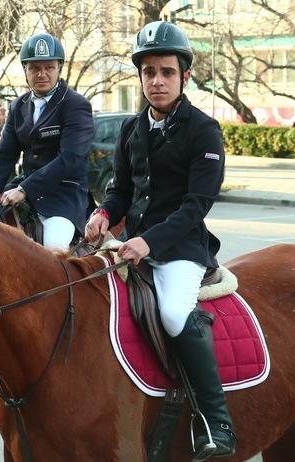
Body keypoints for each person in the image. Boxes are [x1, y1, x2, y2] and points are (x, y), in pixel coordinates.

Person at [85, 21, 235, 460]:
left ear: (184, 76)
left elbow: (197, 204)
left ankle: (216, 421)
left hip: (181, 248)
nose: (157, 81)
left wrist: (148, 242)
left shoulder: (204, 131)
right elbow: (121, 192)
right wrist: (102, 215)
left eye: (167, 72)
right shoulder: (133, 129)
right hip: (132, 245)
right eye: (149, 72)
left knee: (172, 313)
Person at [0, 33, 94, 250]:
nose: (42, 74)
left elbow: (70, 158)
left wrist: (24, 189)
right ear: (25, 70)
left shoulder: (75, 104)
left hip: (63, 195)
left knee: (53, 247)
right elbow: (5, 153)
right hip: (21, 190)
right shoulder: (18, 106)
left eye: (49, 67)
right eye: (34, 68)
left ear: (59, 68)